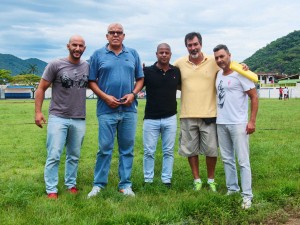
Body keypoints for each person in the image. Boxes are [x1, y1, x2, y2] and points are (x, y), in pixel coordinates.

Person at [87, 23, 144, 198]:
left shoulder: (132, 54)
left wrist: (133, 94)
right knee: (104, 148)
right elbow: (91, 81)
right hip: (106, 109)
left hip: (128, 110)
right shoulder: (98, 55)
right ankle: (99, 185)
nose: (115, 35)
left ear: (124, 36)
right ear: (107, 36)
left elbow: (140, 79)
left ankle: (125, 185)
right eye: (112, 33)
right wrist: (105, 97)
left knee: (127, 149)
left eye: (119, 33)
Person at [35, 35, 89, 199]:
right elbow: (41, 88)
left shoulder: (87, 66)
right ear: (68, 46)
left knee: (74, 155)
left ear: (84, 48)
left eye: (80, 46)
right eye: (74, 45)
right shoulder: (55, 64)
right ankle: (51, 189)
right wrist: (38, 112)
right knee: (54, 154)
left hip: (79, 118)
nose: (77, 48)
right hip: (58, 117)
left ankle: (70, 185)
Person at [213, 44, 258, 209]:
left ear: (229, 55)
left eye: (222, 56)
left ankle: (247, 196)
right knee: (227, 159)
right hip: (221, 122)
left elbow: (254, 97)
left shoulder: (241, 74)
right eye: (217, 57)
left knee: (243, 161)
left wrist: (252, 121)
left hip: (238, 123)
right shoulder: (218, 74)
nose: (219, 60)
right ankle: (232, 189)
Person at [174, 32, 219, 192]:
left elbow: (229, 66)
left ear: (201, 44)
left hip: (209, 114)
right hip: (187, 114)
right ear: (186, 46)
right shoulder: (179, 63)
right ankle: (197, 180)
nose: (193, 48)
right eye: (189, 45)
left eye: (195, 44)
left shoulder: (214, 61)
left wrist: (243, 67)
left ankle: (211, 180)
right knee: (190, 150)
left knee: (211, 150)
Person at [143, 43, 181, 188]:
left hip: (170, 117)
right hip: (150, 118)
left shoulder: (176, 72)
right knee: (149, 151)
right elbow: (137, 83)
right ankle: (148, 179)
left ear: (170, 54)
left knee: (168, 151)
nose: (164, 55)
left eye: (166, 52)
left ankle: (166, 180)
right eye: (161, 52)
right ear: (156, 54)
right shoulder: (147, 71)